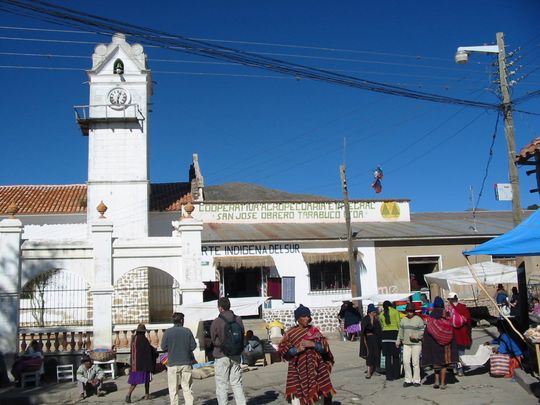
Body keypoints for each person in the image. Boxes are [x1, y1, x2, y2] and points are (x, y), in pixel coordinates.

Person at [278, 304, 335, 404]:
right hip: (297, 371)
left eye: (308, 316)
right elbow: (284, 351)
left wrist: (313, 344)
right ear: (298, 318)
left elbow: (324, 349)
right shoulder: (290, 333)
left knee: (317, 399)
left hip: (316, 371)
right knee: (297, 400)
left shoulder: (314, 331)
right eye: (304, 316)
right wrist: (296, 350)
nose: (307, 318)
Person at [211, 297, 247, 405]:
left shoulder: (216, 321)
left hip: (221, 355)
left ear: (220, 308)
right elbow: (242, 334)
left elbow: (213, 339)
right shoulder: (238, 319)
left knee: (222, 385)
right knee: (236, 383)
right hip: (236, 355)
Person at [421, 296, 457, 390]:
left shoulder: (432, 315)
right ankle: (442, 383)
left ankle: (436, 381)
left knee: (436, 363)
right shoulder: (447, 314)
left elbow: (428, 330)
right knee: (444, 363)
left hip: (434, 343)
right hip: (446, 344)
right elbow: (451, 327)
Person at [161, 312, 197, 405]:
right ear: (181, 320)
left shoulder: (168, 332)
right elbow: (193, 346)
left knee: (173, 390)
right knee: (187, 389)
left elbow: (163, 347)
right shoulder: (187, 331)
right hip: (186, 363)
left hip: (172, 364)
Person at [125, 323, 157, 403]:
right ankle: (145, 395)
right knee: (146, 380)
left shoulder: (134, 339)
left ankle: (130, 394)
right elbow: (148, 350)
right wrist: (154, 351)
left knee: (135, 381)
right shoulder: (143, 339)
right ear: (143, 332)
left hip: (135, 364)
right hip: (144, 364)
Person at [396, 303, 424, 388]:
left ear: (414, 312)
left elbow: (422, 331)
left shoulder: (419, 319)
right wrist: (398, 340)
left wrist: (416, 336)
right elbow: (400, 331)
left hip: (416, 344)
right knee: (405, 361)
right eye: (408, 311)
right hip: (406, 344)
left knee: (415, 362)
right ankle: (408, 380)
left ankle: (416, 380)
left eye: (411, 312)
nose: (409, 313)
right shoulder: (403, 320)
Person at [446, 292, 472, 376]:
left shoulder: (448, 308)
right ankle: (460, 370)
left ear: (450, 299)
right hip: (462, 334)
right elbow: (468, 320)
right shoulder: (463, 308)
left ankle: (455, 368)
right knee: (461, 353)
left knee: (453, 353)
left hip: (452, 334)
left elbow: (446, 320)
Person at [359, 303, 382, 379]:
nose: (375, 313)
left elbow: (378, 329)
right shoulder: (365, 319)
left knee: (376, 354)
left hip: (376, 339)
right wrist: (371, 321)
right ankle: (369, 372)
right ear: (370, 312)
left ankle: (375, 370)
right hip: (368, 340)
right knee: (369, 355)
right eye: (374, 312)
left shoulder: (376, 319)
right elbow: (365, 330)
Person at [381, 300, 401, 381]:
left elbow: (382, 325)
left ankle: (389, 376)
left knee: (387, 357)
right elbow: (399, 324)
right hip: (394, 334)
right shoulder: (395, 312)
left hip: (385, 336)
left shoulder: (381, 314)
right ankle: (396, 375)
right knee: (396, 356)